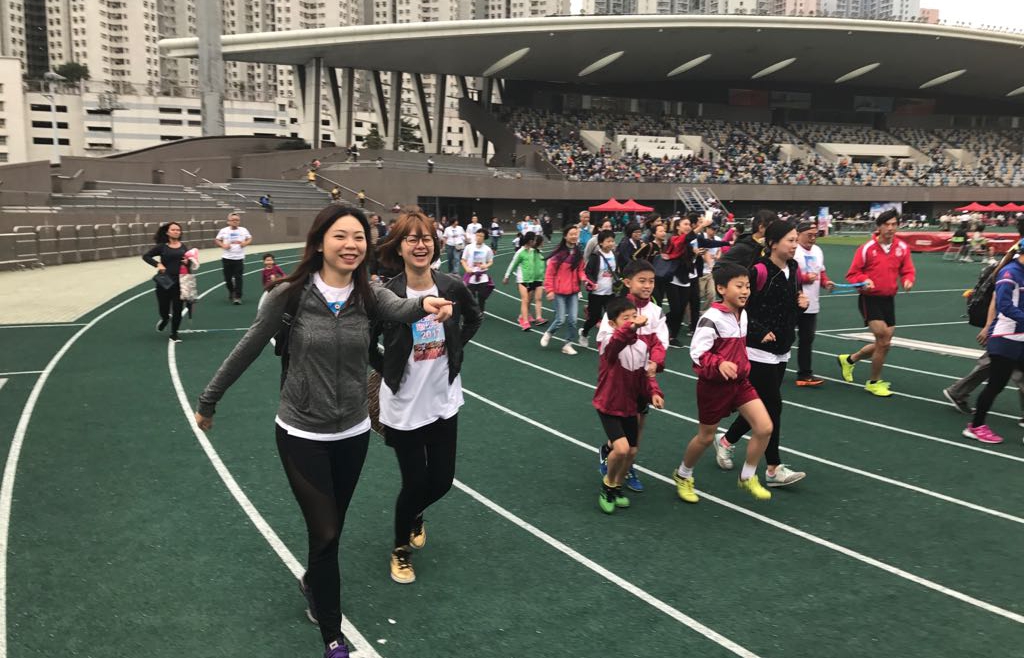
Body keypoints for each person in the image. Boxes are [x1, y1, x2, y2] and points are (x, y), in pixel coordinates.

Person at [194, 205, 453, 658]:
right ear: (319, 243)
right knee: (327, 532)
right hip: (300, 434)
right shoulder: (287, 296)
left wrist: (426, 304)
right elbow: (249, 346)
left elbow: (402, 308)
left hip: (352, 433)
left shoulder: (369, 294)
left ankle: (314, 582)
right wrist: (208, 399)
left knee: (333, 527)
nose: (351, 244)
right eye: (340, 236)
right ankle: (334, 638)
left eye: (358, 237)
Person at [369, 209, 482, 584]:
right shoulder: (387, 294)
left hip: (443, 398)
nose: (420, 245)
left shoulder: (450, 286)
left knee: (443, 480)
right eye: (411, 238)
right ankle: (400, 549)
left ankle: (415, 513)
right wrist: (386, 368)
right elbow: (367, 340)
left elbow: (474, 318)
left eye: (426, 238)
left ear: (436, 244)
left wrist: (457, 349)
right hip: (403, 403)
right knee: (415, 481)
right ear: (399, 247)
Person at [712, 221, 808, 488]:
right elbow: (740, 306)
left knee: (762, 406)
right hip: (757, 349)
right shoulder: (758, 271)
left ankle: (726, 440)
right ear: (773, 243)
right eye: (790, 240)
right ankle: (773, 468)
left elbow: (789, 306)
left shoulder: (794, 268)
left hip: (782, 346)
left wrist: (801, 304)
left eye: (795, 239)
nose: (794, 244)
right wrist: (756, 330)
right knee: (773, 406)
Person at [673, 262, 774, 503]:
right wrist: (719, 363)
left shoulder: (744, 314)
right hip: (713, 387)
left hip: (739, 382)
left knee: (764, 427)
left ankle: (748, 476)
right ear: (721, 289)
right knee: (706, 437)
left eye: (748, 286)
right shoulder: (712, 318)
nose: (745, 291)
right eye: (739, 286)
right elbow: (697, 353)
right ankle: (683, 474)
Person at [596, 259, 668, 493]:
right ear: (628, 282)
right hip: (620, 377)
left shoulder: (655, 311)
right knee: (626, 431)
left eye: (652, 281)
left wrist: (655, 362)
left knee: (638, 427)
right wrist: (631, 326)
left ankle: (626, 464)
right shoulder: (618, 308)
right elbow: (607, 343)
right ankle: (616, 459)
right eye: (642, 281)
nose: (648, 286)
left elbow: (660, 342)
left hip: (643, 377)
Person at [838, 209, 916, 397]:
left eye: (894, 224)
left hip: (889, 299)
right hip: (869, 298)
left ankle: (849, 359)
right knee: (882, 338)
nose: (890, 228)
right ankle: (873, 382)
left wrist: (908, 280)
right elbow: (852, 274)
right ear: (879, 227)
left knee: (885, 343)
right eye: (886, 225)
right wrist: (864, 279)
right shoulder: (867, 249)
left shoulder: (902, 248)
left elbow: (908, 269)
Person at [962, 239, 1024, 444]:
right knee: (996, 385)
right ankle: (976, 426)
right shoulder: (1010, 274)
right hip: (1005, 339)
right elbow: (1005, 306)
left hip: (1020, 338)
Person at [540, 226, 592, 356]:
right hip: (559, 292)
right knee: (560, 319)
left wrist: (584, 279)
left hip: (573, 291)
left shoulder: (578, 253)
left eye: (576, 234)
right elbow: (549, 274)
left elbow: (580, 270)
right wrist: (550, 290)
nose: (574, 236)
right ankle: (549, 333)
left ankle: (567, 344)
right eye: (571, 234)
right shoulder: (558, 255)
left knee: (573, 320)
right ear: (565, 236)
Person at [794, 219, 834, 386]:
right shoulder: (793, 251)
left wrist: (826, 282)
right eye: (808, 235)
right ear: (799, 235)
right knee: (784, 337)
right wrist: (803, 278)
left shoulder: (818, 250)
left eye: (815, 235)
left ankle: (804, 374)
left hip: (812, 303)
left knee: (807, 339)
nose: (812, 238)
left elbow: (821, 271)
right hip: (793, 302)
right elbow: (786, 274)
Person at [143, 222, 188, 343]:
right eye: (173, 230)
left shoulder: (183, 247)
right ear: (167, 232)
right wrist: (158, 264)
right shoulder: (162, 247)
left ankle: (174, 334)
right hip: (165, 282)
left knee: (178, 309)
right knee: (164, 308)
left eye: (178, 230)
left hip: (180, 282)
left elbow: (188, 262)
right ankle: (164, 318)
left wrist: (187, 262)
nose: (176, 232)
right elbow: (146, 256)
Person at [580, 230, 618, 348]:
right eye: (608, 241)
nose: (611, 243)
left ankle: (608, 341)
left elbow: (617, 270)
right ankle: (584, 332)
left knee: (611, 316)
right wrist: (592, 283)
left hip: (610, 292)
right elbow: (588, 272)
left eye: (612, 241)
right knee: (594, 318)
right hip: (597, 293)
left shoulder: (614, 255)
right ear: (601, 243)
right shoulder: (595, 257)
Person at [503, 232, 547, 330]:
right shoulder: (520, 252)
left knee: (529, 300)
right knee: (525, 299)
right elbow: (512, 264)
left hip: (530, 280)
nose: (535, 242)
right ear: (531, 241)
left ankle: (526, 315)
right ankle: (525, 322)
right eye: (535, 240)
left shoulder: (532, 251)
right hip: (521, 280)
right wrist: (507, 276)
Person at [215, 212, 252, 305]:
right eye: (233, 220)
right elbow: (217, 240)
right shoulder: (224, 230)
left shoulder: (243, 230)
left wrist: (245, 243)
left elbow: (250, 238)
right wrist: (223, 245)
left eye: (237, 220)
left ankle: (238, 297)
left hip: (239, 258)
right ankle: (232, 291)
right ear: (228, 222)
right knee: (227, 278)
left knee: (238, 278)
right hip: (227, 258)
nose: (235, 222)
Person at [461, 228, 495, 312]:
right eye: (477, 235)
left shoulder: (487, 249)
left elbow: (490, 261)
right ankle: (471, 312)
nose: (479, 237)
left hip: (482, 276)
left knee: (482, 296)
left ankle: (481, 312)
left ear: (484, 238)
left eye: (481, 236)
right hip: (471, 276)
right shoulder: (469, 247)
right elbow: (463, 260)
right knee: (470, 297)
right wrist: (467, 268)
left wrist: (485, 265)